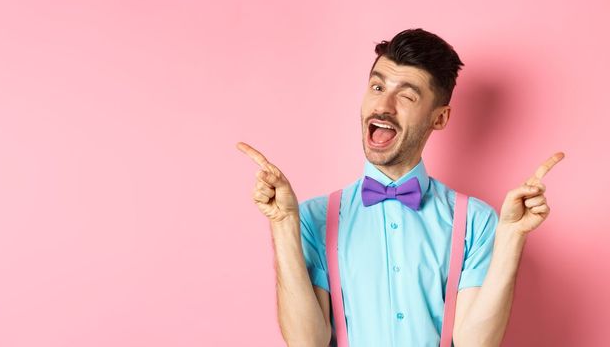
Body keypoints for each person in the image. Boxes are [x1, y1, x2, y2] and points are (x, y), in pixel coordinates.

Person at [236, 28, 564, 346]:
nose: (384, 106)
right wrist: (282, 226)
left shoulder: (476, 221)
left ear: (440, 118)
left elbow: (474, 343)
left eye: (406, 95)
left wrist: (512, 237)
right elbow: (307, 342)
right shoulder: (314, 217)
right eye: (377, 88)